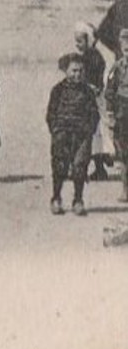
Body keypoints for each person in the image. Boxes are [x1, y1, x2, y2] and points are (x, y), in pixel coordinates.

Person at [48, 53, 100, 215]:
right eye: (74, 71)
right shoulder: (57, 90)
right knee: (60, 166)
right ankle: (56, 198)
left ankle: (78, 200)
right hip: (62, 134)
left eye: (80, 71)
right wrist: (56, 130)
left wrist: (89, 131)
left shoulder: (88, 92)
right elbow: (50, 113)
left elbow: (94, 114)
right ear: (65, 71)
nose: (77, 74)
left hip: (82, 136)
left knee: (80, 167)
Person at [70, 22, 111, 178]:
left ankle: (96, 168)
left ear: (88, 40)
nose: (77, 44)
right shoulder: (89, 55)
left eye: (80, 41)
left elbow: (94, 78)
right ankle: (97, 168)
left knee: (93, 133)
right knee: (93, 135)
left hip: (92, 99)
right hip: (90, 97)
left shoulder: (92, 57)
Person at [105, 30, 128, 204]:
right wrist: (111, 113)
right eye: (125, 48)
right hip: (122, 112)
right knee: (123, 152)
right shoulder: (117, 68)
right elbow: (110, 91)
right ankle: (126, 189)